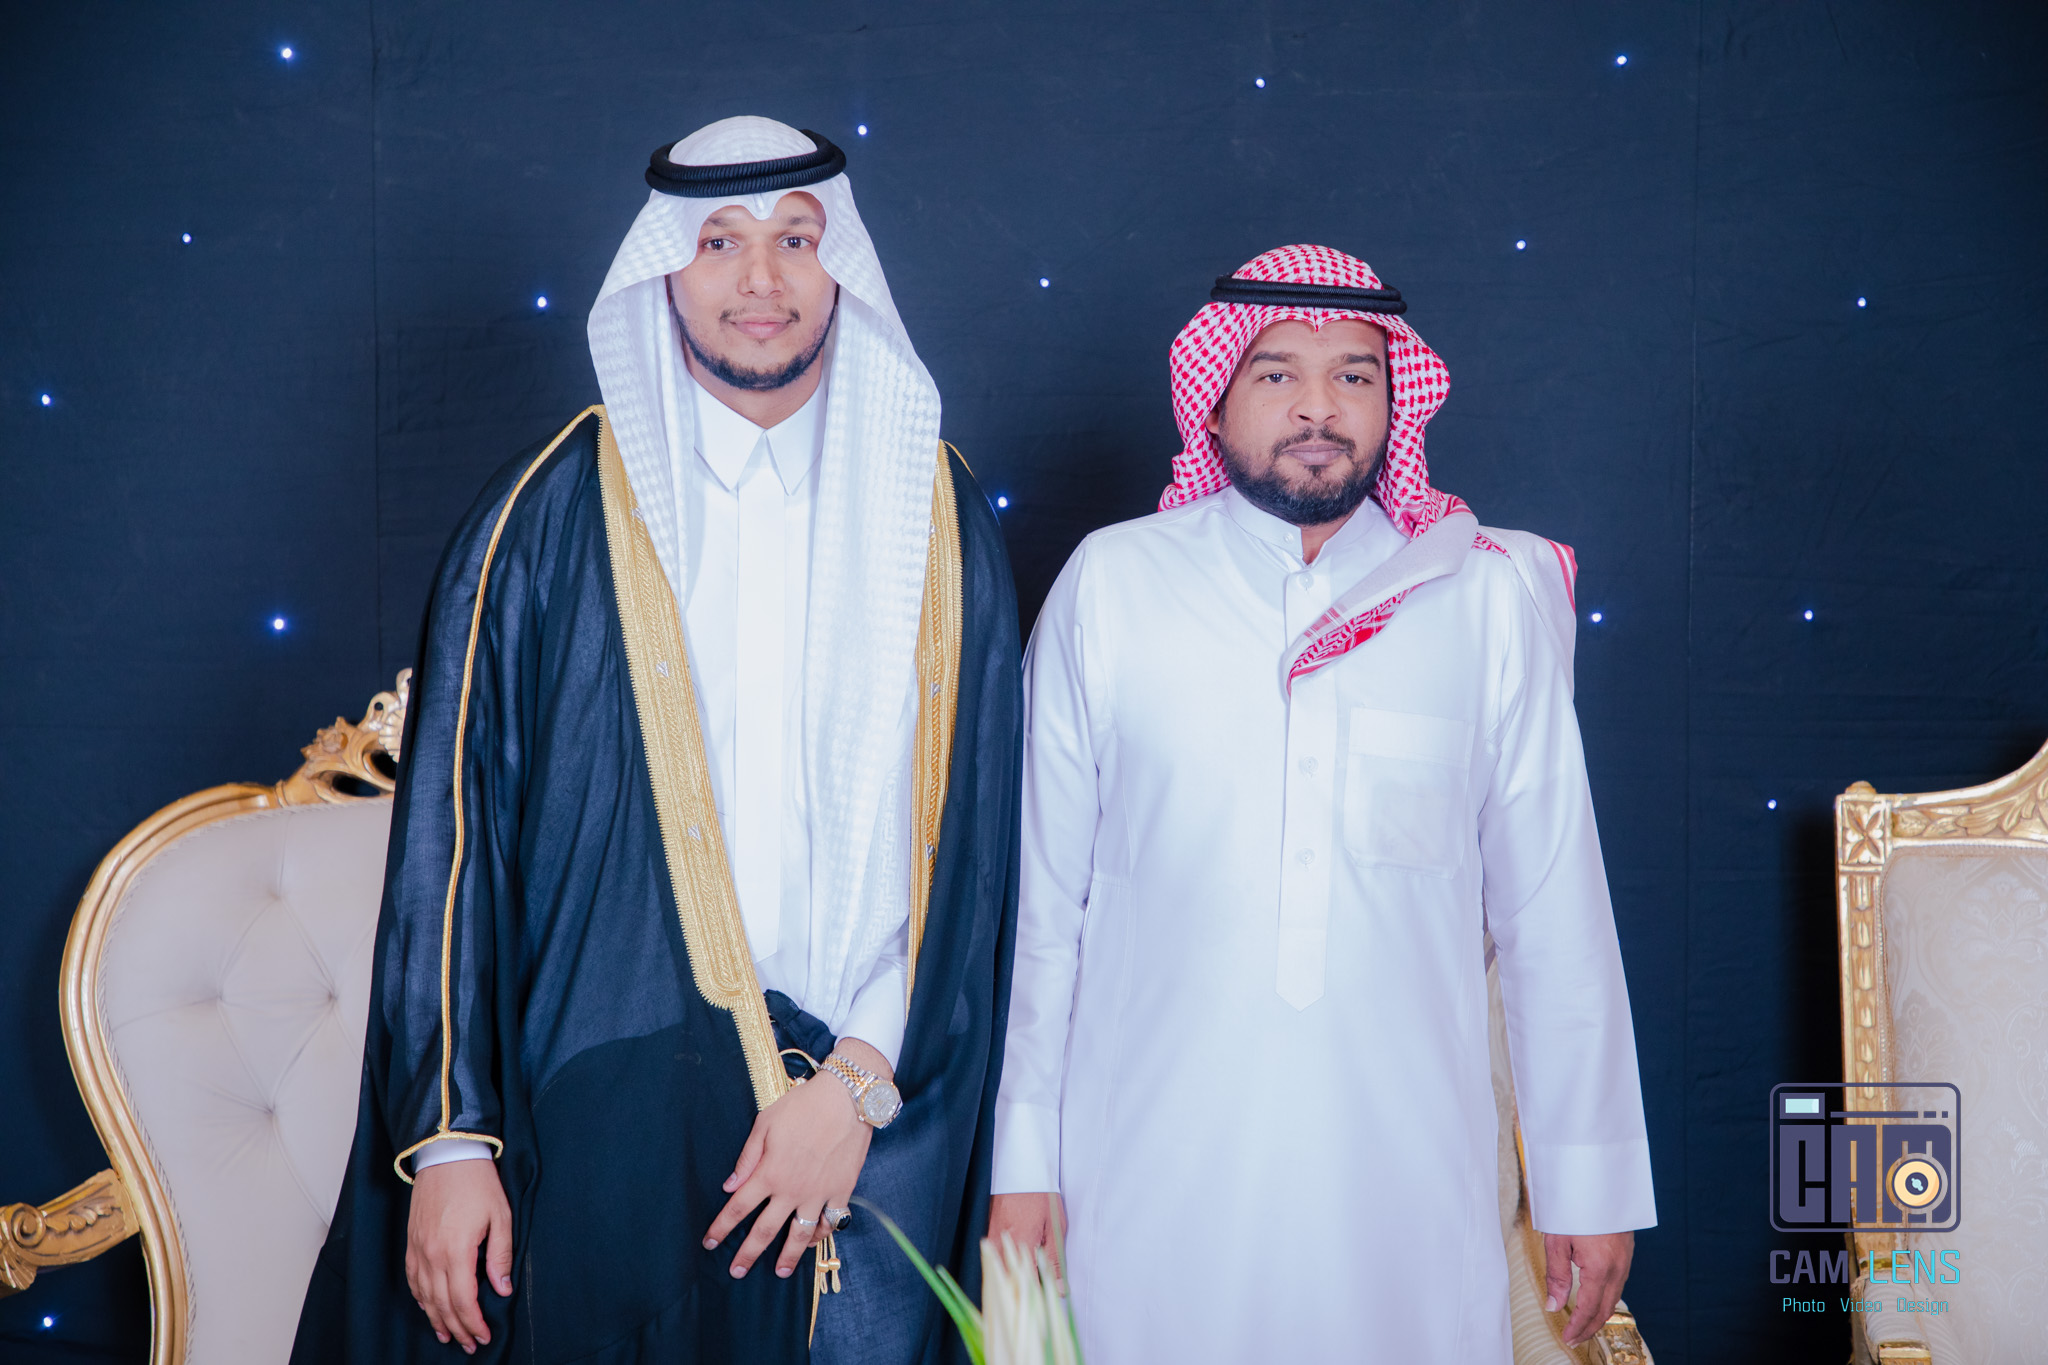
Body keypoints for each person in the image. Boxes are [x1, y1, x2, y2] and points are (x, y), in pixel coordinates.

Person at [293, 116, 1021, 1365]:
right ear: (662, 272)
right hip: (606, 1096)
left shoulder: (937, 516)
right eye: (718, 242)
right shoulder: (545, 516)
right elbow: (453, 849)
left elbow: (976, 850)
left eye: (796, 240)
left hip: (875, 1118)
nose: (760, 278)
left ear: (840, 264)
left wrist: (855, 1084)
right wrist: (452, 1143)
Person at [987, 245, 1655, 1361]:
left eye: (1353, 375)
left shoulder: (1480, 600)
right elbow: (1041, 914)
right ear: (1213, 400)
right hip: (1144, 1177)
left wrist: (1584, 1182)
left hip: (1408, 1186)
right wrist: (1021, 1164)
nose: (1318, 408)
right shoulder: (1113, 585)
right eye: (1277, 373)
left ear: (1396, 401)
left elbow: (1553, 911)